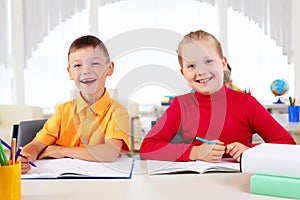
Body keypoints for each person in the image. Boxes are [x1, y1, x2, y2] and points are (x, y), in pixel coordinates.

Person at [140, 30, 295, 163]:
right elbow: (147, 148)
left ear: (223, 64)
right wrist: (196, 152)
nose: (201, 71)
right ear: (183, 73)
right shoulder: (181, 105)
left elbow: (287, 144)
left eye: (208, 61)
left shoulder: (247, 103)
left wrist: (250, 151)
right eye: (191, 66)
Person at [19, 35, 130, 174]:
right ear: (70, 72)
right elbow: (36, 145)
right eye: (78, 65)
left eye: (94, 63)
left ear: (109, 68)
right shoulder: (62, 111)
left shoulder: (118, 112)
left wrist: (61, 150)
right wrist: (25, 156)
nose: (86, 71)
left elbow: (110, 152)